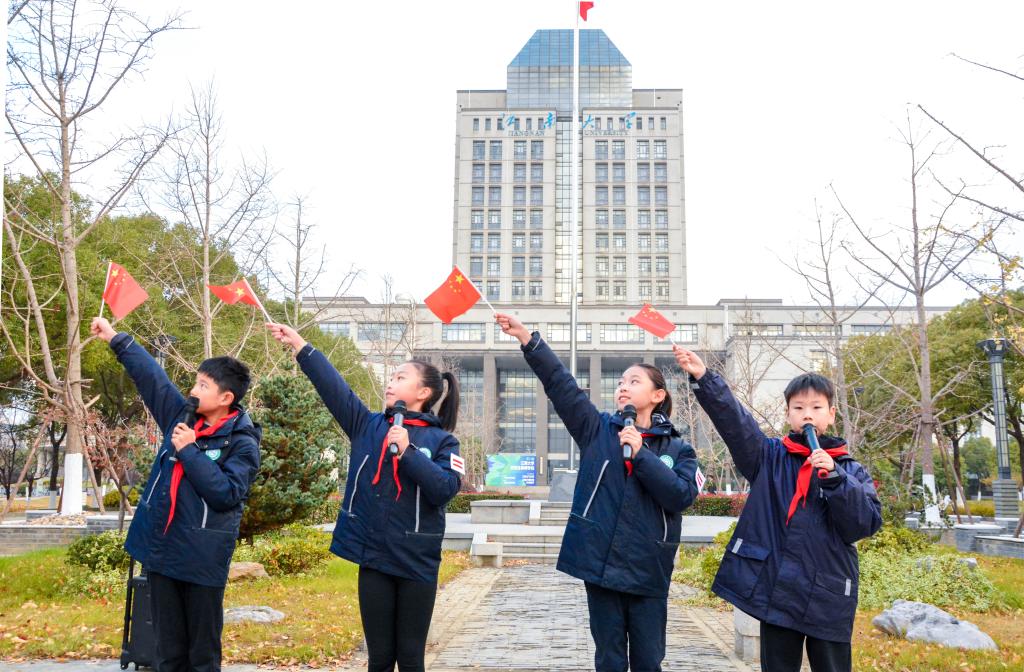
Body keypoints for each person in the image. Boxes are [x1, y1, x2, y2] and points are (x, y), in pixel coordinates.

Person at [496, 313, 700, 672]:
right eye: (620, 382)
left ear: (658, 395)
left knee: (649, 660)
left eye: (634, 381)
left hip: (649, 570)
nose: (623, 387)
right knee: (608, 658)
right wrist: (529, 340)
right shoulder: (598, 430)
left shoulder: (679, 449)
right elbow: (562, 385)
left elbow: (681, 496)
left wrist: (642, 456)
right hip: (602, 566)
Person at [267, 322, 462, 672]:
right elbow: (334, 388)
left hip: (417, 561)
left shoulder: (444, 442)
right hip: (374, 558)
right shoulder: (367, 426)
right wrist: (300, 345)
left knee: (411, 659)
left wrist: (409, 453)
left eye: (401, 377)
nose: (391, 382)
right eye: (392, 377)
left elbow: (445, 490)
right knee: (380, 658)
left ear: (424, 392)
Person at [674, 345, 882, 672]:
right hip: (778, 592)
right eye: (798, 407)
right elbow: (736, 423)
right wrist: (705, 378)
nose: (807, 414)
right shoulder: (769, 456)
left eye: (816, 407)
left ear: (831, 414)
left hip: (827, 595)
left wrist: (835, 479)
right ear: (788, 414)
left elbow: (864, 523)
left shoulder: (851, 470)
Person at [91, 317, 261, 672]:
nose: (193, 389)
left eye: (203, 385)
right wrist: (116, 339)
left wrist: (189, 451)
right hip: (162, 552)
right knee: (167, 654)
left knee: (202, 657)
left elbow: (226, 494)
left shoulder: (242, 442)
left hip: (202, 559)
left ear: (226, 398)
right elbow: (153, 379)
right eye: (195, 381)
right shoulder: (181, 417)